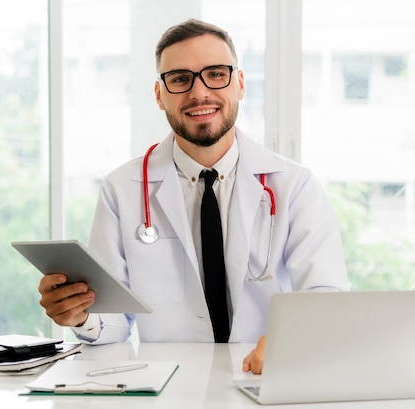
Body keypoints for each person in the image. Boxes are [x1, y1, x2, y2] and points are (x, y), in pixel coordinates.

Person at [38, 18, 350, 374]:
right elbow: (114, 319)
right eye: (180, 79)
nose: (199, 93)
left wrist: (290, 338)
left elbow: (326, 297)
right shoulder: (121, 190)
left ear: (240, 84)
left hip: (265, 377)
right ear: (159, 94)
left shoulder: (294, 186)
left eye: (216, 74)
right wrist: (80, 315)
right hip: (168, 383)